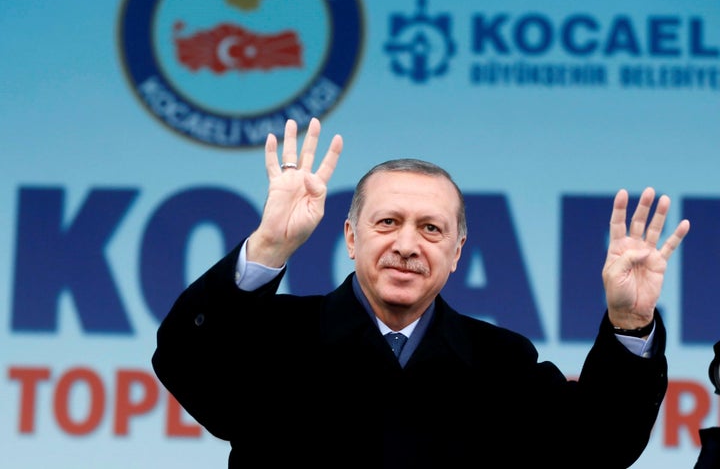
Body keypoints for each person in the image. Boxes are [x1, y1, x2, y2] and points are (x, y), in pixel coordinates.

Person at [152, 117, 690, 468]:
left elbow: (599, 444)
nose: (407, 245)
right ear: (351, 237)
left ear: (456, 253)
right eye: (387, 222)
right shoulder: (277, 337)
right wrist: (269, 245)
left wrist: (629, 321)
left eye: (431, 229)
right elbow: (185, 359)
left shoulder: (500, 362)